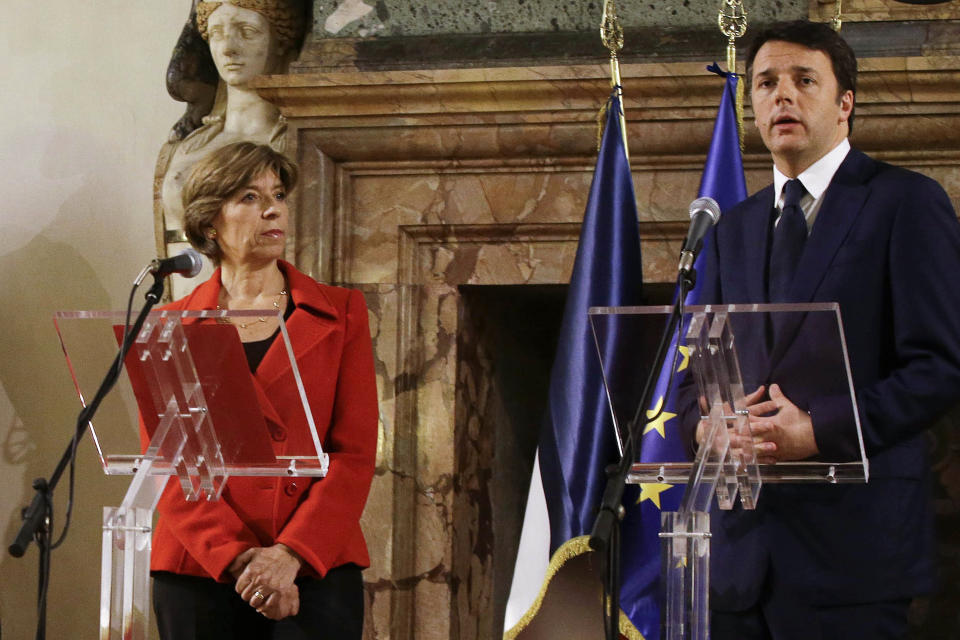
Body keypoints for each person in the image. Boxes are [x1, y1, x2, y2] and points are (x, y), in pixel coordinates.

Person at [682, 20, 960, 639]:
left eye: (804, 80)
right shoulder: (731, 228)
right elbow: (692, 370)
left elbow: (940, 366)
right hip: (737, 561)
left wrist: (818, 430)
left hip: (853, 560)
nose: (782, 96)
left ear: (845, 104)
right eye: (766, 83)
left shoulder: (904, 203)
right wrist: (702, 425)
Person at [150, 141, 378, 640]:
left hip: (313, 564)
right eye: (250, 198)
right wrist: (238, 558)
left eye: (277, 194)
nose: (273, 208)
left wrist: (287, 555)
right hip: (201, 566)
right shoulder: (170, 325)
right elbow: (171, 464)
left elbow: (354, 455)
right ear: (210, 221)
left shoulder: (341, 313)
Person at [157, 0, 307, 300]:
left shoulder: (295, 144)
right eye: (216, 33)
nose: (228, 48)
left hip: (269, 311)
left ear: (279, 41)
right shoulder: (186, 145)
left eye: (247, 31)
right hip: (188, 312)